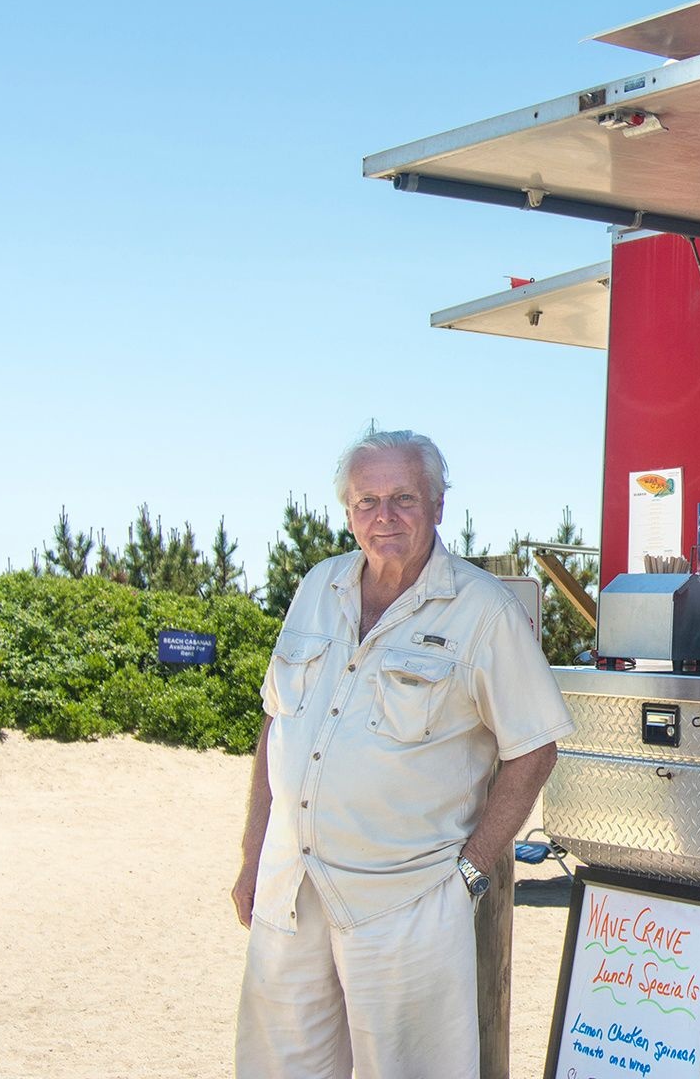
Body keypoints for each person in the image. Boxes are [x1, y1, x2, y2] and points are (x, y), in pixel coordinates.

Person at [232, 429, 575, 1079]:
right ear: (348, 511)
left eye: (403, 499)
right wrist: (252, 857)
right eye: (367, 501)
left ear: (438, 505)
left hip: (405, 909)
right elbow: (277, 726)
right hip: (291, 892)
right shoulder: (318, 586)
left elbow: (535, 750)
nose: (383, 516)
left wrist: (468, 875)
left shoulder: (484, 611)